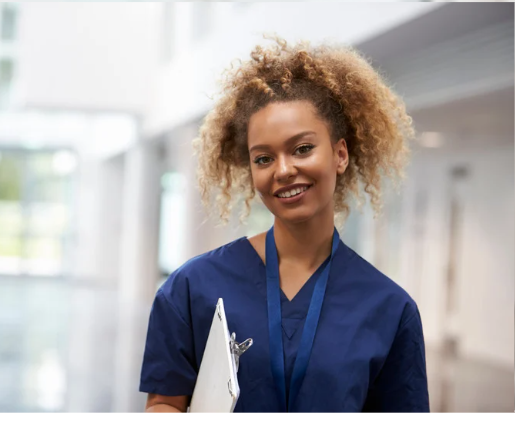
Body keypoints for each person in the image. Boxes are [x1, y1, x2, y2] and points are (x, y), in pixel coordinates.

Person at [139, 38, 430, 412]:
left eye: (302, 148)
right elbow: (164, 405)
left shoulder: (390, 310)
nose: (283, 170)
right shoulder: (192, 288)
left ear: (340, 154)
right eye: (263, 158)